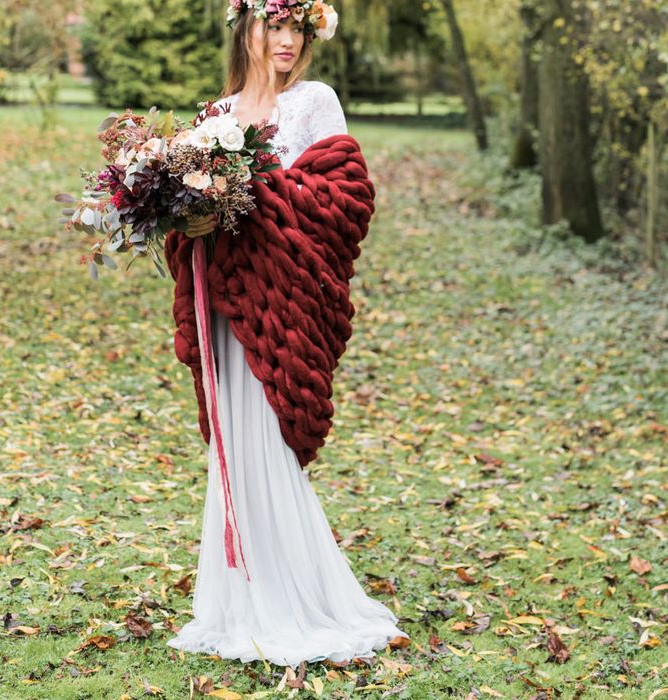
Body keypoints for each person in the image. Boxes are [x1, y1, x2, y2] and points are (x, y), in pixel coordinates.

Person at [165, 0, 409, 667]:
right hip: (225, 300)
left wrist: (256, 191)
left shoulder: (315, 104)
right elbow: (188, 213)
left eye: (297, 27)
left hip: (281, 306)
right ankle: (237, 603)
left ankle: (297, 601)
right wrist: (184, 218)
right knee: (233, 450)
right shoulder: (214, 118)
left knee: (266, 444)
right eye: (276, 25)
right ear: (246, 27)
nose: (288, 40)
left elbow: (343, 203)